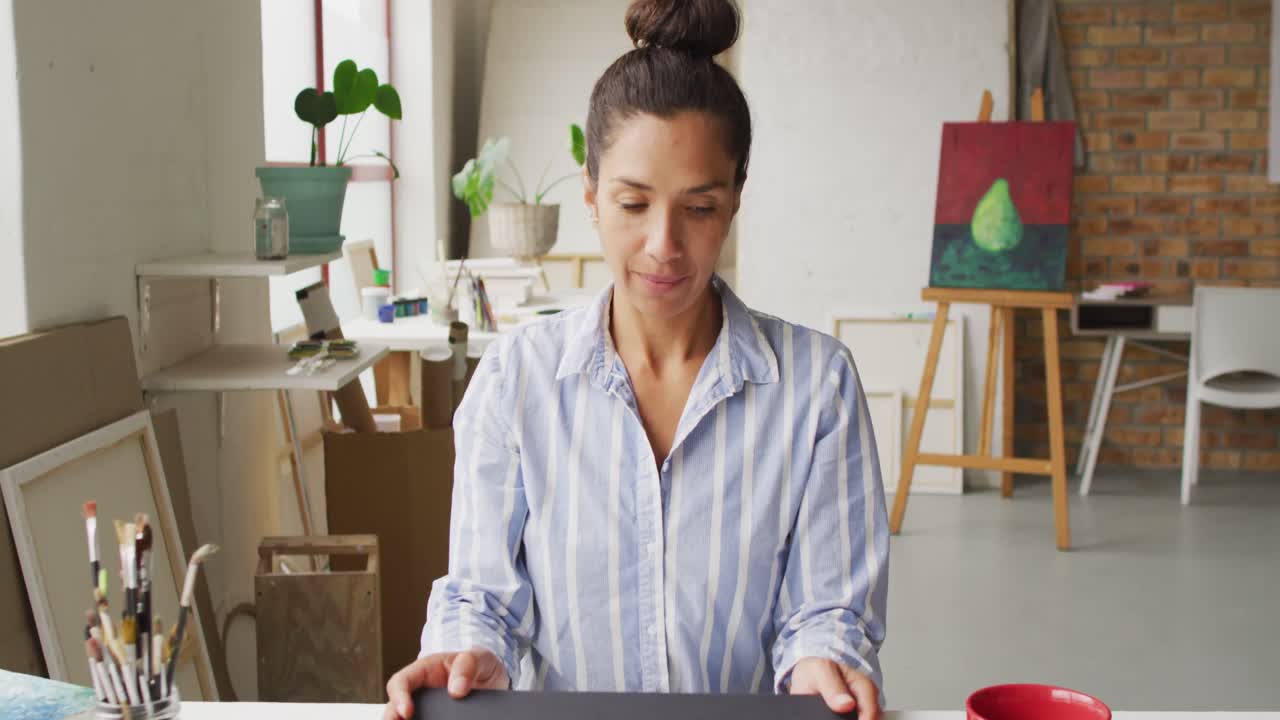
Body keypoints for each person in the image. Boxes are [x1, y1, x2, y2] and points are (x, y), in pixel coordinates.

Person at [384, 1, 888, 718]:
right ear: (590, 194)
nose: (663, 244)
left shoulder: (817, 388)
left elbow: (828, 610)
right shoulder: (516, 379)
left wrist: (823, 664)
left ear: (737, 199)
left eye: (700, 208)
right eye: (632, 202)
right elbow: (481, 597)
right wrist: (465, 649)